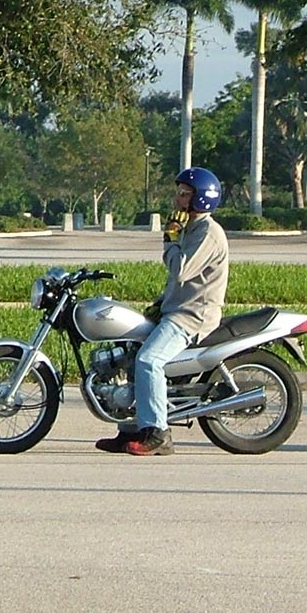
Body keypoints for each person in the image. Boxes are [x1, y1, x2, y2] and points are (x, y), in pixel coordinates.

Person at [95, 166, 229, 456]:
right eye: (178, 193)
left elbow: (181, 270)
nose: (177, 199)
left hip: (192, 316)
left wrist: (170, 238)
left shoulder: (208, 233)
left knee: (149, 360)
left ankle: (158, 433)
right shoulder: (192, 228)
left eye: (184, 194)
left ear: (201, 198)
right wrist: (160, 302)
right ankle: (131, 428)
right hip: (175, 310)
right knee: (131, 354)